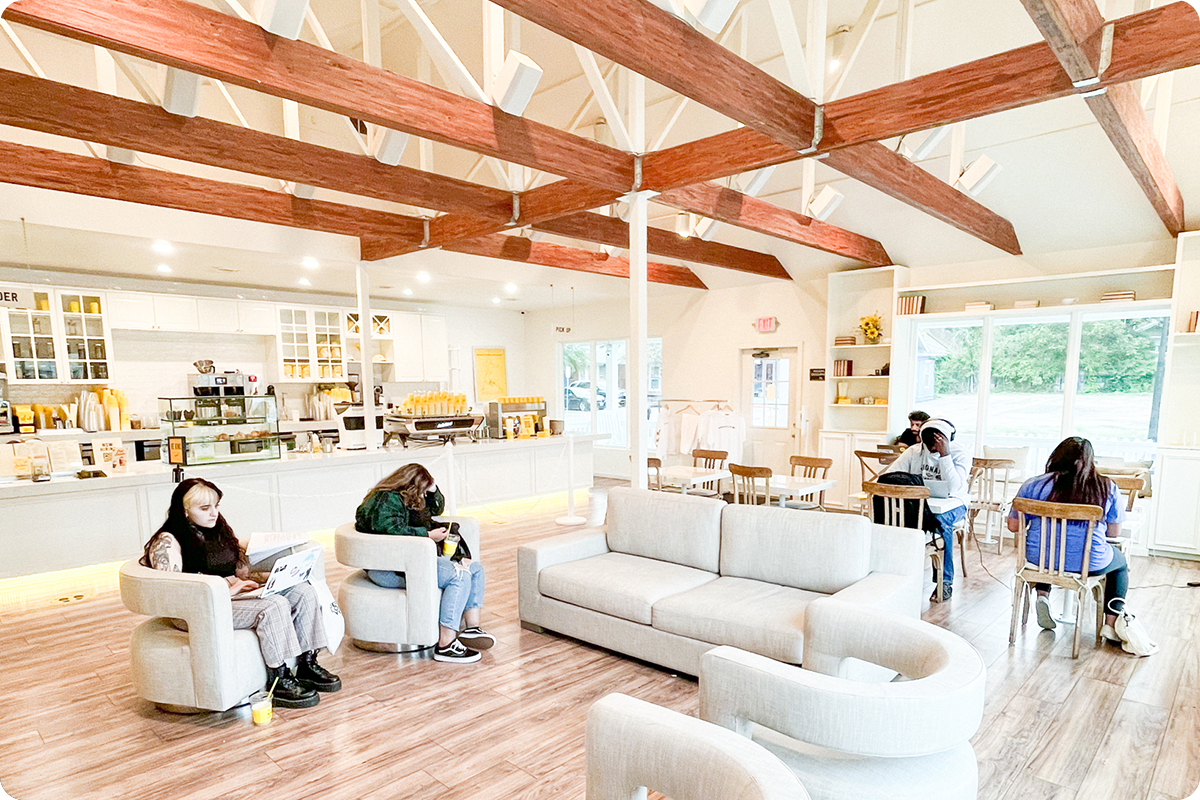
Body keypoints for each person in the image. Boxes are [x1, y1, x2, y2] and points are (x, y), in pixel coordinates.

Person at [141, 478, 341, 709]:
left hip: (231, 597)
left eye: (216, 506)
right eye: (204, 508)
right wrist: (229, 588)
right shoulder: (168, 540)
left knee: (303, 592)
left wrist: (267, 577)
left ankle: (307, 663)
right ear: (184, 511)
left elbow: (236, 571)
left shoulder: (218, 530)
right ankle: (280, 679)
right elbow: (174, 589)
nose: (213, 513)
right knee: (273, 606)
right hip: (198, 608)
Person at [1006, 436, 1157, 657]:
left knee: (1050, 550)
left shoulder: (1032, 484)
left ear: (1055, 457)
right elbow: (1114, 533)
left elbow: (1013, 526)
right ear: (1090, 461)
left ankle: (1042, 595)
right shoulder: (1106, 487)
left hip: (1037, 559)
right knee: (1120, 564)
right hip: (1089, 562)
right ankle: (1111, 623)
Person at [355, 463, 495, 664]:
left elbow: (435, 508)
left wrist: (433, 490)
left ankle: (472, 628)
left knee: (475, 569)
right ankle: (446, 644)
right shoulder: (385, 500)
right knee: (459, 574)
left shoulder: (404, 498)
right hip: (392, 567)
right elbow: (389, 531)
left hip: (411, 560)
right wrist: (428, 535)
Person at [882, 418, 970, 602]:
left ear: (947, 438)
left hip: (955, 504)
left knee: (941, 521)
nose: (931, 446)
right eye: (927, 441)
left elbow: (955, 488)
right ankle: (891, 572)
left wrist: (945, 456)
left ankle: (944, 582)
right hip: (920, 504)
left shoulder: (959, 453)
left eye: (936, 441)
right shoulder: (914, 452)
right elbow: (888, 476)